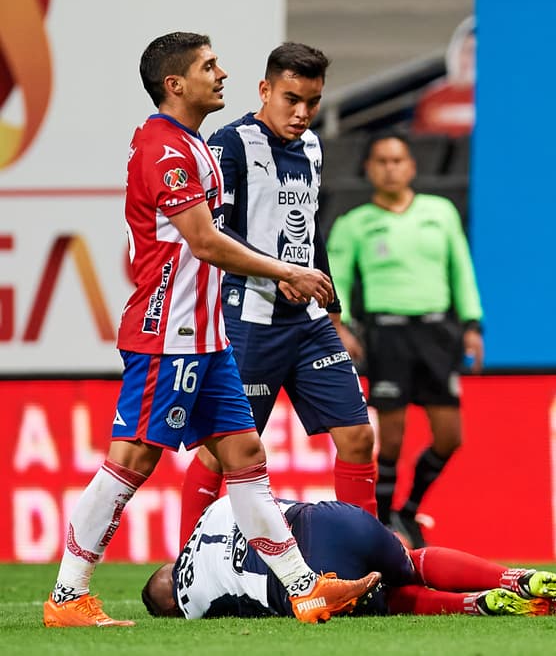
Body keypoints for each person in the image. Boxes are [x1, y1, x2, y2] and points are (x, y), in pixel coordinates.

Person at [43, 32, 380, 628]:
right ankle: (70, 597)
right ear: (176, 84)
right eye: (208, 66)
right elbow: (202, 240)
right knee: (133, 458)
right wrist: (286, 272)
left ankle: (305, 589)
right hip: (167, 331)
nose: (220, 73)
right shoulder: (167, 150)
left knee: (247, 454)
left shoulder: (191, 145)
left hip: (208, 334)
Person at [180, 43, 376, 544]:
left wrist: (333, 312)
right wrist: (280, 273)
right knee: (222, 451)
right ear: (265, 90)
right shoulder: (230, 144)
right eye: (291, 98)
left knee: (357, 436)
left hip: (308, 322)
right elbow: (216, 235)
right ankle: (186, 560)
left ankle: (366, 556)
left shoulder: (312, 147)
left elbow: (311, 231)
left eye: (312, 102)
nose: (302, 113)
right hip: (249, 322)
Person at [328, 132, 483, 547]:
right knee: (391, 436)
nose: (391, 168)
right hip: (386, 333)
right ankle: (383, 524)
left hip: (438, 333)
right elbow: (336, 281)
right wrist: (340, 327)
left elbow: (461, 268)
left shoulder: (440, 212)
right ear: (369, 169)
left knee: (450, 435)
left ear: (412, 166)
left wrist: (471, 324)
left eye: (398, 160)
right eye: (382, 160)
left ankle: (409, 509)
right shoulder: (354, 224)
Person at [142, 496, 556, 619]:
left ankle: (474, 604)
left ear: (169, 605)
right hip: (336, 521)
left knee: (387, 598)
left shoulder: (192, 604)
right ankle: (512, 577)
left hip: (318, 576)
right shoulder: (213, 513)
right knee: (412, 559)